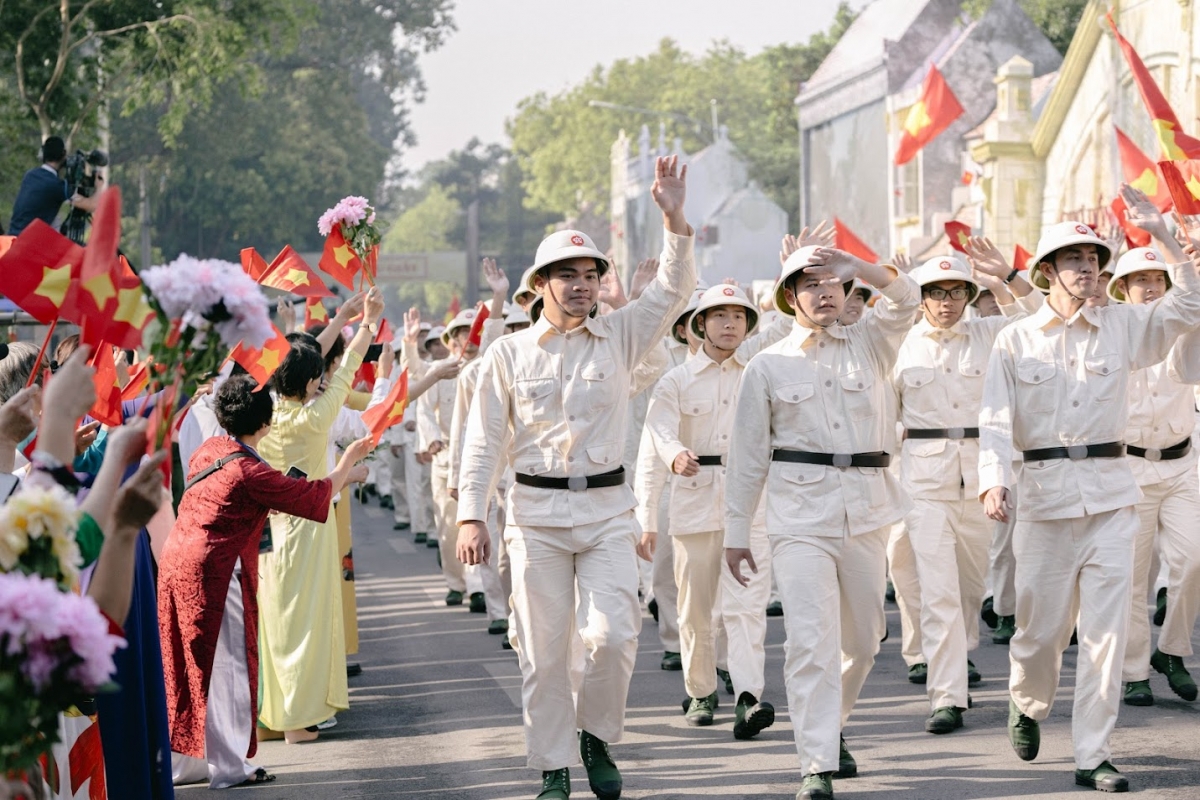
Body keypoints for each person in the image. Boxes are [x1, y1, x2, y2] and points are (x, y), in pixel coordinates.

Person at [456, 155, 693, 800]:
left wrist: (673, 215)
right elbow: (483, 443)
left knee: (614, 635)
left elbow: (671, 292)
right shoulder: (506, 355)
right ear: (540, 285)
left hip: (609, 513)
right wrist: (471, 514)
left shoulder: (620, 336)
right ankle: (554, 767)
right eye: (569, 275)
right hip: (533, 517)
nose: (584, 285)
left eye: (592, 274)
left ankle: (595, 737)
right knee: (543, 652)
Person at [979, 192, 1200, 793]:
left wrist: (1167, 238)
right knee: (1040, 633)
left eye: (1092, 258)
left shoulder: (1125, 325)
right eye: (1071, 258)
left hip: (1111, 496)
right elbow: (996, 419)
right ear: (1047, 270)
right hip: (1044, 500)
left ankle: (1093, 753)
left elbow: (1190, 304)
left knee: (1105, 634)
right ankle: (1026, 702)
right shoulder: (1016, 339)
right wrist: (993, 480)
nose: (1085, 268)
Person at [724, 243, 919, 800]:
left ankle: (831, 724)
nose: (825, 290)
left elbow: (906, 298)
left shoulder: (872, 344)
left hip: (867, 511)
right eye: (811, 284)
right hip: (799, 516)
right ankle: (816, 763)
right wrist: (738, 533)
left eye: (833, 281)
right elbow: (746, 456)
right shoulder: (767, 365)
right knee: (810, 640)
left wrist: (859, 265)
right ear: (791, 297)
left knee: (864, 640)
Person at [159, 375, 373, 787]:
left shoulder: (209, 451)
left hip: (176, 563)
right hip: (216, 572)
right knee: (228, 669)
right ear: (266, 421)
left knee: (186, 667)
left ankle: (186, 763)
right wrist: (348, 464)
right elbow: (310, 497)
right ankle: (231, 767)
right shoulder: (249, 470)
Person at [890, 246, 1040, 735]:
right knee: (938, 593)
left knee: (971, 588)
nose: (947, 301)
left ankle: (959, 654)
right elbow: (884, 417)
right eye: (936, 292)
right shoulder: (901, 344)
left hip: (982, 479)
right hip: (923, 482)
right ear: (922, 299)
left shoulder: (992, 334)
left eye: (956, 291)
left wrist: (1007, 280)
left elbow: (1039, 315)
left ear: (970, 295)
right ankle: (947, 695)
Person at [642, 281, 790, 739]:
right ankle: (702, 689)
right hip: (693, 499)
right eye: (720, 316)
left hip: (749, 500)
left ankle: (748, 696)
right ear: (698, 325)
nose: (730, 324)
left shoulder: (760, 369)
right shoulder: (676, 380)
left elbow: (792, 321)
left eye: (739, 317)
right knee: (696, 607)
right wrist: (673, 457)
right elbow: (658, 432)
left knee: (747, 605)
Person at [255, 289, 384, 744]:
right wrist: (366, 324)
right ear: (312, 383)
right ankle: (300, 719)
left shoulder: (259, 417)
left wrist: (342, 321)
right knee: (306, 622)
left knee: (273, 621)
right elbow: (346, 373)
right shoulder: (312, 421)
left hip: (267, 531)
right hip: (309, 529)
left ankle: (273, 716)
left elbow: (295, 362)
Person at [1104, 238, 1200, 708]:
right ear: (1122, 287)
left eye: (1157, 279)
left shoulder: (1184, 326)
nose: (1149, 286)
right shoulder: (1111, 330)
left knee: (1194, 560)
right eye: (1140, 279)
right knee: (1133, 575)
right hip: (1130, 466)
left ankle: (1173, 651)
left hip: (1182, 463)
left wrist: (1189, 265)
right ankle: (1135, 669)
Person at [7, 136, 101, 236]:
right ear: (63, 154)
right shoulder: (56, 185)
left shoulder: (30, 175)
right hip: (30, 243)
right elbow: (91, 206)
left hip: (13, 238)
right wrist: (99, 186)